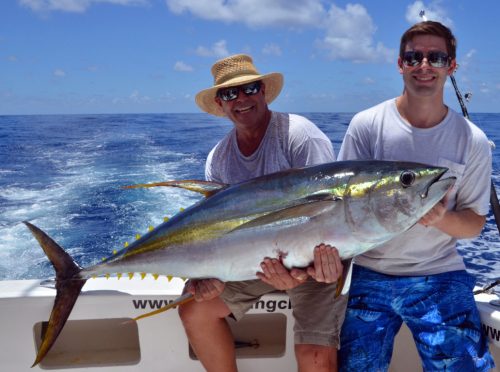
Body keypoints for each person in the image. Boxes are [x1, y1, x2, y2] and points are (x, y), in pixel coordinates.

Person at [337, 21, 496, 371]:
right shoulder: (366, 125)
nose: (424, 65)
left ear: (451, 66)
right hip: (368, 272)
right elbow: (341, 207)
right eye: (414, 57)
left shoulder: (473, 140)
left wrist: (441, 217)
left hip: (439, 273)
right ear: (400, 64)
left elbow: (472, 224)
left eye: (436, 57)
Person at [178, 53, 348, 372]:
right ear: (220, 104)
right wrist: (205, 276)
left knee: (315, 355)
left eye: (250, 89)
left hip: (317, 260)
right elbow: (213, 230)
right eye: (230, 93)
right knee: (193, 310)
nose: (241, 99)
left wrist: (300, 273)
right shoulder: (219, 158)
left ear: (264, 92)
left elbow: (329, 216)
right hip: (251, 261)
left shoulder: (299, 136)